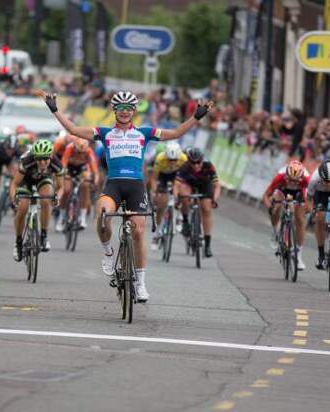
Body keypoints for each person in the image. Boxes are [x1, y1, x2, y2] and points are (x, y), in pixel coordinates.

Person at [38, 89, 212, 302]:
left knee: (138, 231)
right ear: (114, 110)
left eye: (129, 108)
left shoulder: (145, 133)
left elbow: (175, 133)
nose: (124, 112)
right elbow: (73, 129)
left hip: (135, 187)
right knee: (103, 215)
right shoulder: (104, 133)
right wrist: (54, 109)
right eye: (120, 108)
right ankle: (109, 253)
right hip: (113, 185)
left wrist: (196, 116)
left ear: (134, 111)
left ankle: (140, 284)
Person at [10, 139, 64, 261]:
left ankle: (44, 236)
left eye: (45, 159)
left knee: (46, 200)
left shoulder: (57, 164)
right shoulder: (27, 161)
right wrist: (14, 198)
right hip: (25, 182)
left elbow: (61, 187)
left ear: (50, 156)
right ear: (34, 157)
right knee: (22, 208)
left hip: (43, 181)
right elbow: (14, 184)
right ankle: (18, 242)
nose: (42, 162)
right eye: (39, 159)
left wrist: (57, 197)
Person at [262, 160, 310, 270]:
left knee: (300, 219)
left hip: (299, 192)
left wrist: (307, 209)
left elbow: (309, 201)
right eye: (290, 180)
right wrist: (270, 207)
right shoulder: (280, 176)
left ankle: (297, 254)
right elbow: (265, 196)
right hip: (282, 190)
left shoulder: (306, 179)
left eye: (295, 181)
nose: (292, 183)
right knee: (277, 207)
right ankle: (275, 232)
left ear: (301, 177)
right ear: (286, 176)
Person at [173, 147, 221, 258]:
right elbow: (176, 185)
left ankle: (207, 245)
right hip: (189, 184)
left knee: (206, 209)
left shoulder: (209, 166)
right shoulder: (184, 167)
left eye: (198, 162)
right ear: (188, 160)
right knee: (184, 196)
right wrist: (177, 199)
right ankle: (185, 221)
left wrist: (214, 199)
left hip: (205, 185)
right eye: (193, 162)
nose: (195, 165)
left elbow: (217, 186)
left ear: (202, 160)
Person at [149, 141, 187, 250]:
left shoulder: (184, 159)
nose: (172, 162)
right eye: (170, 160)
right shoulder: (160, 158)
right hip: (163, 176)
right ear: (166, 155)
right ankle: (157, 234)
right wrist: (154, 192)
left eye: (175, 160)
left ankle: (179, 216)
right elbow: (154, 178)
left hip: (177, 175)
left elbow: (186, 177)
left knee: (181, 193)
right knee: (161, 203)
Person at [56, 138, 99, 231]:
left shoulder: (88, 151)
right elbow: (63, 165)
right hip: (69, 168)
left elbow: (94, 168)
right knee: (66, 190)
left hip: (82, 169)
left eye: (82, 153)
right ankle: (61, 217)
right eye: (78, 152)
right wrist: (64, 176)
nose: (80, 155)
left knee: (85, 185)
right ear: (75, 147)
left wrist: (95, 180)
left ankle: (82, 218)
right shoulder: (69, 148)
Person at [0, 134, 20, 222]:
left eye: (12, 150)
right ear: (5, 146)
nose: (10, 152)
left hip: (9, 163)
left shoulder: (18, 150)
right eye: (8, 149)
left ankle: (11, 197)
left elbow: (19, 164)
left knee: (15, 177)